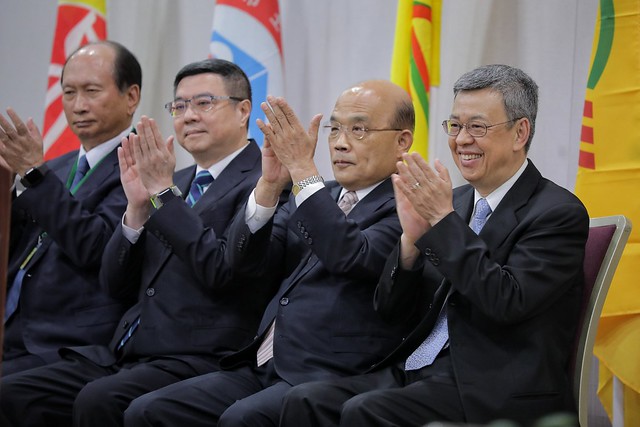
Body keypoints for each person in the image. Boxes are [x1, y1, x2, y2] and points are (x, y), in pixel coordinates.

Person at [279, 64, 590, 426]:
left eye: (477, 127)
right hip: (415, 367)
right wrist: (409, 246)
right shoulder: (454, 200)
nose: (461, 140)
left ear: (520, 132)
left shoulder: (556, 212)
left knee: (364, 410)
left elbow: (506, 301)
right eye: (455, 126)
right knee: (305, 400)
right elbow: (392, 312)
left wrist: (442, 223)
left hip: (492, 385)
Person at [122, 79, 415, 427]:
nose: (340, 142)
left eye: (359, 130)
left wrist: (303, 172)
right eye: (334, 129)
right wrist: (269, 187)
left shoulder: (407, 204)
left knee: (241, 419)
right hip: (260, 361)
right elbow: (242, 266)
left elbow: (350, 254)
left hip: (328, 372)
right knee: (147, 411)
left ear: (402, 141)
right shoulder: (315, 195)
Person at [0, 58, 274, 427]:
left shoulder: (264, 182)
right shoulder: (174, 179)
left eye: (204, 103)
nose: (189, 116)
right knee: (15, 393)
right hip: (127, 347)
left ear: (243, 111)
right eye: (179, 106)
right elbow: (114, 283)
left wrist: (163, 194)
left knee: (100, 399)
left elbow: (221, 270)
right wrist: (135, 212)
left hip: (204, 353)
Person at [0, 40, 141, 375]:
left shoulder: (140, 169)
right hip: (12, 330)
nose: (78, 106)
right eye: (68, 93)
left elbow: (96, 247)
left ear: (131, 97)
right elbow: (14, 247)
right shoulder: (56, 167)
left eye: (91, 91)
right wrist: (5, 188)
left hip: (67, 343)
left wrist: (34, 174)